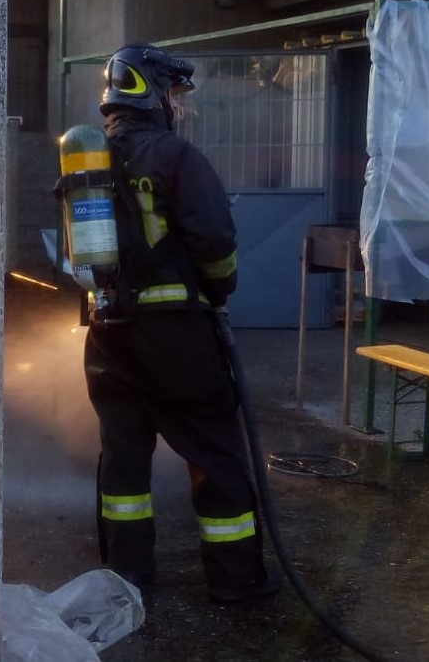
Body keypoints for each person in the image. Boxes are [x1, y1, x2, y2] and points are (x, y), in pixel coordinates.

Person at [84, 44, 281, 603]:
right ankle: (236, 582)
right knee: (215, 453)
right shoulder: (175, 156)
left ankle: (126, 583)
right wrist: (219, 290)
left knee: (122, 463)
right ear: (150, 91)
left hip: (106, 336)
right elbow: (216, 242)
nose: (180, 106)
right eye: (174, 93)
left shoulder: (88, 158)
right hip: (176, 337)